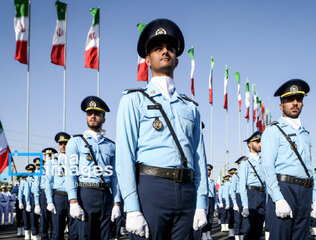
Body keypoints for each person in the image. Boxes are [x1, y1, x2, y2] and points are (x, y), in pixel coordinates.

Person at [116, 18, 208, 240]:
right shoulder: (133, 101)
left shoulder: (191, 107)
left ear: (177, 60)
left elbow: (199, 157)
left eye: (170, 49)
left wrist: (201, 202)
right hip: (151, 189)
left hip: (186, 191)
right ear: (147, 59)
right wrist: (132, 208)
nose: (165, 52)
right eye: (158, 48)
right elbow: (124, 156)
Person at [261, 79, 316, 240]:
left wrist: (315, 197)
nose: (295, 103)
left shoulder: (305, 134)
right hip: (284, 189)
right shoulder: (273, 131)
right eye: (289, 100)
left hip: (305, 190)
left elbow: (309, 168)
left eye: (299, 99)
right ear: (281, 105)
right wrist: (278, 198)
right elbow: (267, 167)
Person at [64, 96, 120, 240]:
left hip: (106, 195)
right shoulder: (75, 142)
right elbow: (71, 172)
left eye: (97, 114)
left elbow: (115, 176)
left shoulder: (111, 146)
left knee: (105, 236)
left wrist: (117, 202)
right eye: (90, 114)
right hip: (86, 194)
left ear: (104, 118)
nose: (93, 116)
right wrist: (73, 201)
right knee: (86, 236)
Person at [44, 132, 78, 240]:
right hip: (58, 197)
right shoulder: (52, 162)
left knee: (74, 232)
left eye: (66, 143)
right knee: (57, 231)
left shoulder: (76, 161)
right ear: (58, 145)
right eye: (61, 144)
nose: (63, 146)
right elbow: (48, 182)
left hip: (73, 198)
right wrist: (49, 201)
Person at [239, 131, 266, 240]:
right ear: (250, 144)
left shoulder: (263, 160)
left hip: (262, 194)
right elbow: (242, 184)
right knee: (250, 229)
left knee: (259, 229)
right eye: (257, 142)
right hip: (251, 195)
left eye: (261, 141)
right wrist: (245, 204)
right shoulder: (246, 162)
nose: (260, 144)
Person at [34, 149, 56, 240]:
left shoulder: (57, 167)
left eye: (50, 155)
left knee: (55, 220)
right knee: (44, 219)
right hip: (43, 194)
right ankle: (44, 237)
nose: (48, 157)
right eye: (46, 155)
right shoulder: (40, 170)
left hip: (56, 193)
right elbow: (36, 186)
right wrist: (36, 203)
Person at [230, 156, 247, 240]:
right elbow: (232, 190)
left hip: (247, 196)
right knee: (238, 219)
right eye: (242, 163)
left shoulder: (248, 173)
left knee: (246, 219)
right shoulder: (236, 176)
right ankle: (237, 236)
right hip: (239, 196)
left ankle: (244, 236)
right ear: (239, 165)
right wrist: (235, 203)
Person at [202, 164, 216, 240]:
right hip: (205, 199)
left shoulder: (212, 182)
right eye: (207, 170)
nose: (208, 171)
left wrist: (216, 203)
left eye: (209, 170)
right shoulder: (202, 180)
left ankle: (208, 234)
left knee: (211, 218)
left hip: (211, 200)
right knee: (205, 217)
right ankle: (204, 235)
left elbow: (214, 193)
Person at [224, 168, 237, 237]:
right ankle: (231, 232)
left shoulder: (238, 180)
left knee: (237, 216)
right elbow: (226, 194)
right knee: (231, 216)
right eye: (231, 174)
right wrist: (227, 203)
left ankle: (237, 230)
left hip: (237, 198)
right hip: (230, 199)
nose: (232, 175)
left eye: (234, 173)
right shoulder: (228, 182)